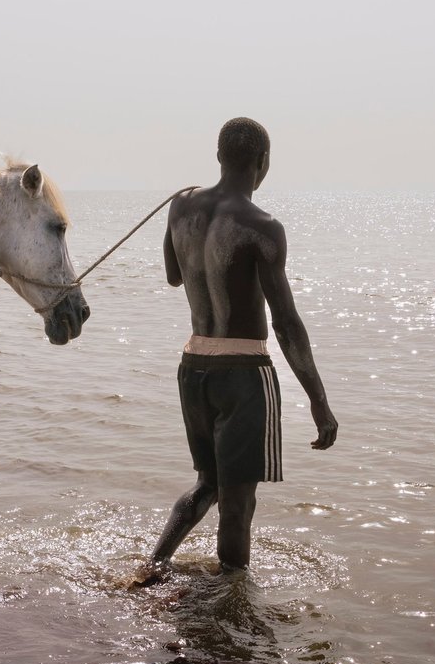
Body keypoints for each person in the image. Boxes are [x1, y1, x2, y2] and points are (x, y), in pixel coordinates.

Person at [141, 117, 336, 579]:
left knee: (207, 484)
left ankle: (153, 565)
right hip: (243, 374)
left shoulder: (181, 206)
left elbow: (173, 275)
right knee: (238, 502)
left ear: (218, 158)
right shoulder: (262, 226)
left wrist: (181, 221)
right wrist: (320, 402)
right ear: (263, 163)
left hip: (193, 368)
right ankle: (232, 602)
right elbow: (286, 324)